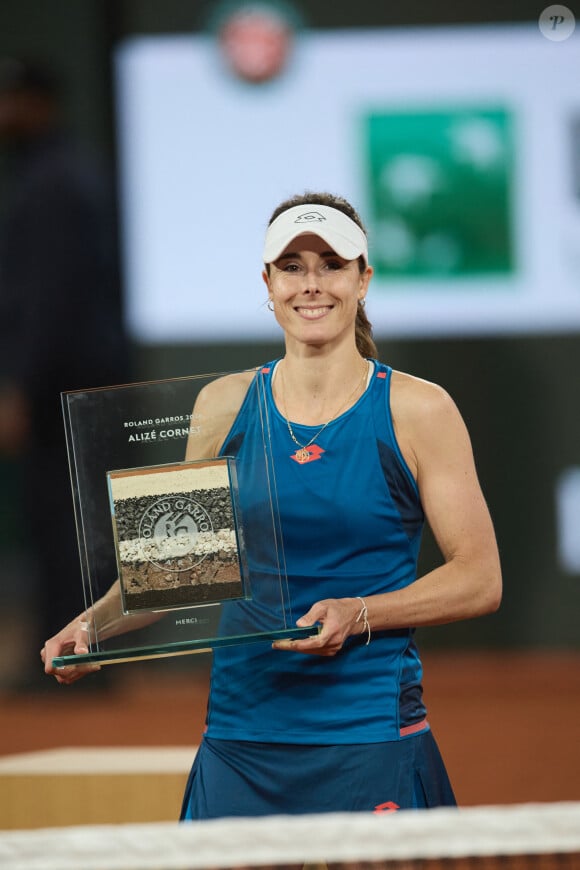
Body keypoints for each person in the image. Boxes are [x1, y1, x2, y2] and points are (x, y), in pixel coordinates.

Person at [42, 191, 501, 815]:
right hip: (241, 741)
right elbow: (174, 575)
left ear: (363, 279)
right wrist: (92, 627)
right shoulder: (221, 405)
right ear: (268, 282)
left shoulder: (420, 410)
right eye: (292, 267)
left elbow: (480, 579)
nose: (311, 285)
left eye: (331, 264)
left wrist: (359, 611)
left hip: (368, 738)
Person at [0, 57, 128, 683]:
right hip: (75, 381)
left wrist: (20, 386)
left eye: (11, 99)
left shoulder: (54, 182)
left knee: (70, 526)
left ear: (37, 103)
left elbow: (48, 299)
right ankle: (74, 657)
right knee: (69, 523)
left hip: (67, 387)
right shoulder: (54, 174)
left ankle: (75, 661)